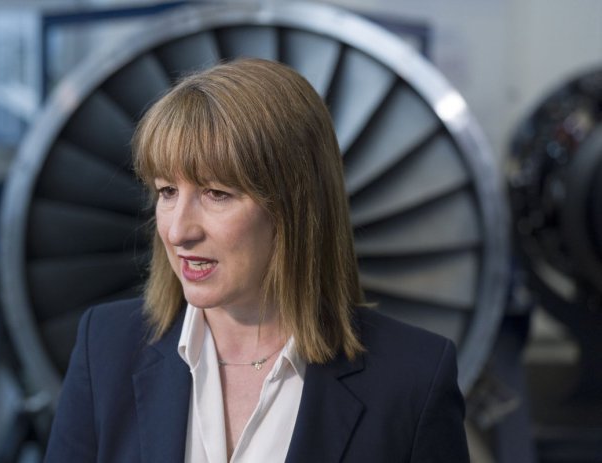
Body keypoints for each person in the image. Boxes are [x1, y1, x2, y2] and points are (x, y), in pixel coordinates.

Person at [44, 58, 470, 462]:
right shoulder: (105, 348)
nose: (178, 232)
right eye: (167, 192)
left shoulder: (413, 380)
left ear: (295, 207)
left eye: (216, 194)